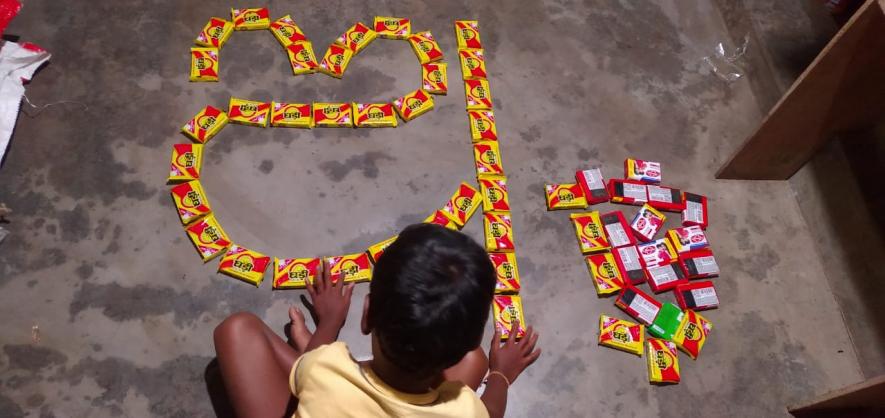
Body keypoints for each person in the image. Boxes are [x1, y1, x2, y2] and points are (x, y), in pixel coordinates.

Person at [213, 223, 541, 418]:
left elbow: (315, 366)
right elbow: (491, 412)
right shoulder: (467, 412)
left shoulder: (322, 365)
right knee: (476, 362)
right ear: (469, 339)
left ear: (366, 315)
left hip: (326, 388)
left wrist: (328, 324)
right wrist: (501, 373)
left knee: (237, 329)